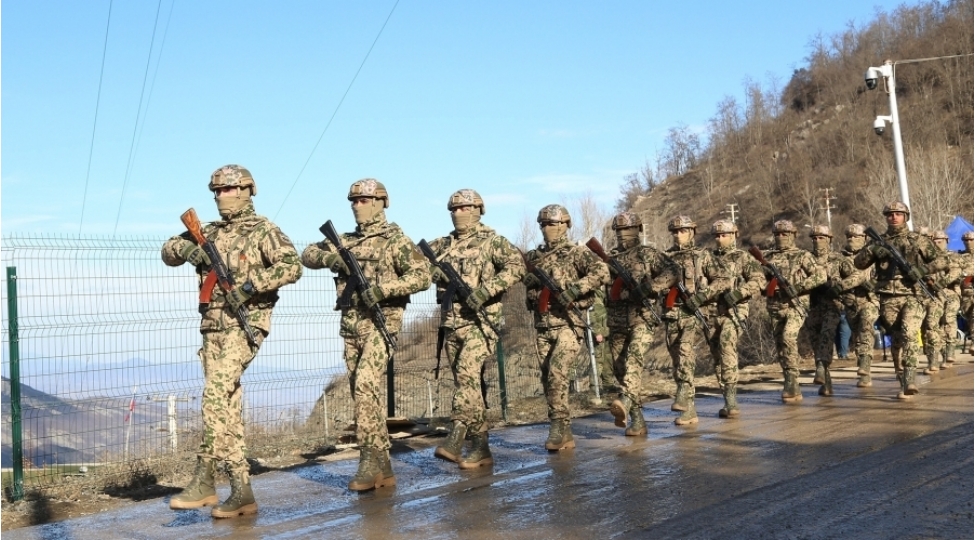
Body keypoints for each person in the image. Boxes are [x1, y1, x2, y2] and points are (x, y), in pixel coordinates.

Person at [162, 165, 302, 518]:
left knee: (214, 394)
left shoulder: (263, 230)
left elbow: (292, 266)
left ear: (246, 190)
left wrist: (252, 287)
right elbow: (167, 251)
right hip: (212, 326)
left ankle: (216, 479)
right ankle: (233, 489)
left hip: (247, 324)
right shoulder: (206, 231)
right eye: (216, 191)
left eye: (228, 190)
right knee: (225, 403)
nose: (221, 196)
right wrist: (189, 250)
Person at [301, 178, 430, 490]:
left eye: (364, 200)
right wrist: (330, 258)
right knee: (362, 389)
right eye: (354, 201)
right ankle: (383, 464)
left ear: (380, 202)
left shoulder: (395, 241)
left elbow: (423, 276)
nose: (357, 206)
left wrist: (384, 289)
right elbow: (306, 254)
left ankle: (369, 460)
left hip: (382, 322)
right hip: (351, 325)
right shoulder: (344, 240)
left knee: (365, 388)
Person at [426, 189, 525, 469]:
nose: (459, 213)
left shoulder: (493, 241)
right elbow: (416, 264)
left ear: (478, 209)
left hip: (483, 322)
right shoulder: (442, 244)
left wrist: (485, 291)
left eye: (465, 208)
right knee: (468, 385)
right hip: (452, 322)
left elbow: (517, 267)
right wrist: (434, 272)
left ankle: (456, 434)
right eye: (454, 209)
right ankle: (480, 448)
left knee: (468, 373)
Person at [523, 204, 610, 450]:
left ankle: (557, 427)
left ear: (563, 225)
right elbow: (517, 272)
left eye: (551, 223)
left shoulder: (577, 253)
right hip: (542, 326)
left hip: (569, 325)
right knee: (547, 379)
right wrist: (528, 279)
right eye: (543, 224)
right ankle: (564, 428)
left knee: (557, 373)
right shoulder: (534, 256)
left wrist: (575, 289)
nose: (546, 228)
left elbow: (602, 271)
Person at [854, 202, 948, 399]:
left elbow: (942, 261)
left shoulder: (917, 240)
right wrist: (872, 252)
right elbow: (859, 263)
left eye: (898, 214)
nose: (894, 217)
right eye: (890, 214)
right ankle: (902, 378)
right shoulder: (878, 241)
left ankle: (911, 377)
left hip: (913, 295)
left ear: (906, 216)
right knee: (896, 341)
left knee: (909, 332)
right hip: (887, 297)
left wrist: (922, 270)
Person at [603, 212, 678, 435]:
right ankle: (637, 418)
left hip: (642, 318)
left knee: (634, 361)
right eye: (619, 230)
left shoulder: (647, 254)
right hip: (616, 322)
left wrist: (650, 287)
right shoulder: (609, 259)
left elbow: (674, 271)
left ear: (639, 230)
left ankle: (625, 399)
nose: (623, 235)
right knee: (620, 368)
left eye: (629, 229)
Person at [696, 220, 764, 418]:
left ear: (733, 234)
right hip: (710, 313)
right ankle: (726, 398)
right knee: (717, 356)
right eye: (717, 236)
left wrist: (739, 293)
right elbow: (700, 282)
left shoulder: (742, 257)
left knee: (727, 346)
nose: (720, 239)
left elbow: (758, 280)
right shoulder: (707, 257)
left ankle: (732, 400)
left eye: (724, 235)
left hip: (734, 311)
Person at [760, 220, 825, 403]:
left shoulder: (802, 256)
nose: (781, 237)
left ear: (793, 235)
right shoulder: (769, 258)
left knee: (789, 336)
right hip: (775, 306)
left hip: (796, 306)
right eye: (778, 234)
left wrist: (798, 287)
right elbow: (758, 279)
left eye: (785, 234)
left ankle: (792, 379)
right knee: (781, 344)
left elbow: (820, 276)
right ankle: (791, 380)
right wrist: (767, 286)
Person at [661, 215, 713, 425]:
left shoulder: (702, 256)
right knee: (676, 360)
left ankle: (683, 391)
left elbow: (722, 281)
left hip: (692, 312)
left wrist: (700, 297)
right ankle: (689, 409)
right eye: (675, 231)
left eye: (682, 231)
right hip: (671, 313)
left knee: (685, 353)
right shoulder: (664, 258)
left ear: (691, 232)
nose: (678, 235)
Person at [803, 225, 858, 396]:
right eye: (814, 238)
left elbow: (856, 276)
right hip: (812, 306)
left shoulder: (838, 259)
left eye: (821, 238)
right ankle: (826, 382)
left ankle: (820, 367)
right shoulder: (805, 259)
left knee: (827, 335)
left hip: (833, 304)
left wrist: (840, 287)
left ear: (829, 239)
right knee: (816, 341)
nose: (817, 241)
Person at [837, 224, 880, 388]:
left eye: (856, 237)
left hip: (870, 300)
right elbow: (834, 277)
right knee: (857, 335)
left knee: (865, 328)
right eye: (849, 237)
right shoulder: (840, 258)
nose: (852, 240)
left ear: (864, 238)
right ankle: (864, 369)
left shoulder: (873, 256)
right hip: (850, 302)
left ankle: (864, 368)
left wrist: (871, 284)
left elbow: (883, 275)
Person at [930, 230, 964, 369]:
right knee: (933, 324)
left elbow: (955, 272)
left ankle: (949, 352)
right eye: (935, 241)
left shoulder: (953, 256)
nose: (938, 243)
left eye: (941, 240)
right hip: (933, 295)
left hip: (950, 293)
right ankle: (939, 356)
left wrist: (941, 283)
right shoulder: (929, 258)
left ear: (947, 241)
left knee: (949, 320)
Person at [590, 289, 617, 395]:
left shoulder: (601, 294)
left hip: (605, 332)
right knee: (598, 360)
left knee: (607, 360)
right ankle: (594, 388)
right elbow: (591, 316)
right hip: (598, 334)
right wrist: (597, 332)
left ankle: (608, 385)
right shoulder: (592, 295)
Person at [960, 231, 974, 353]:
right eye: (966, 240)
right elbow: (960, 277)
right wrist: (969, 278)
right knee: (971, 316)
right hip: (966, 294)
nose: (968, 242)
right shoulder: (960, 258)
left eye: (971, 240)